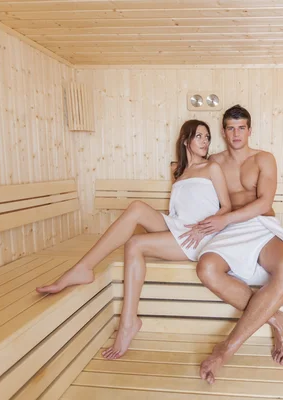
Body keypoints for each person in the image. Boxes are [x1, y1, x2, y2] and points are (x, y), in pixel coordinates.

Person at [36, 119, 231, 360]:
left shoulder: (212, 168)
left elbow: (227, 207)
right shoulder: (178, 171)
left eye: (207, 137)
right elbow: (181, 209)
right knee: (137, 207)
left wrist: (203, 228)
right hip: (177, 224)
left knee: (135, 244)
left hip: (198, 235)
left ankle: (128, 322)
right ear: (185, 140)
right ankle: (83, 268)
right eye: (199, 136)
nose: (205, 142)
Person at [181, 105, 283, 384]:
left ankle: (226, 350)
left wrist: (225, 220)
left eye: (242, 128)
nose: (236, 133)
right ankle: (276, 317)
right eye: (230, 128)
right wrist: (198, 225)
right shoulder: (214, 162)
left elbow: (264, 202)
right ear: (223, 131)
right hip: (230, 229)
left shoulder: (264, 159)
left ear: (249, 130)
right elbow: (193, 188)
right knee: (206, 268)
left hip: (261, 224)